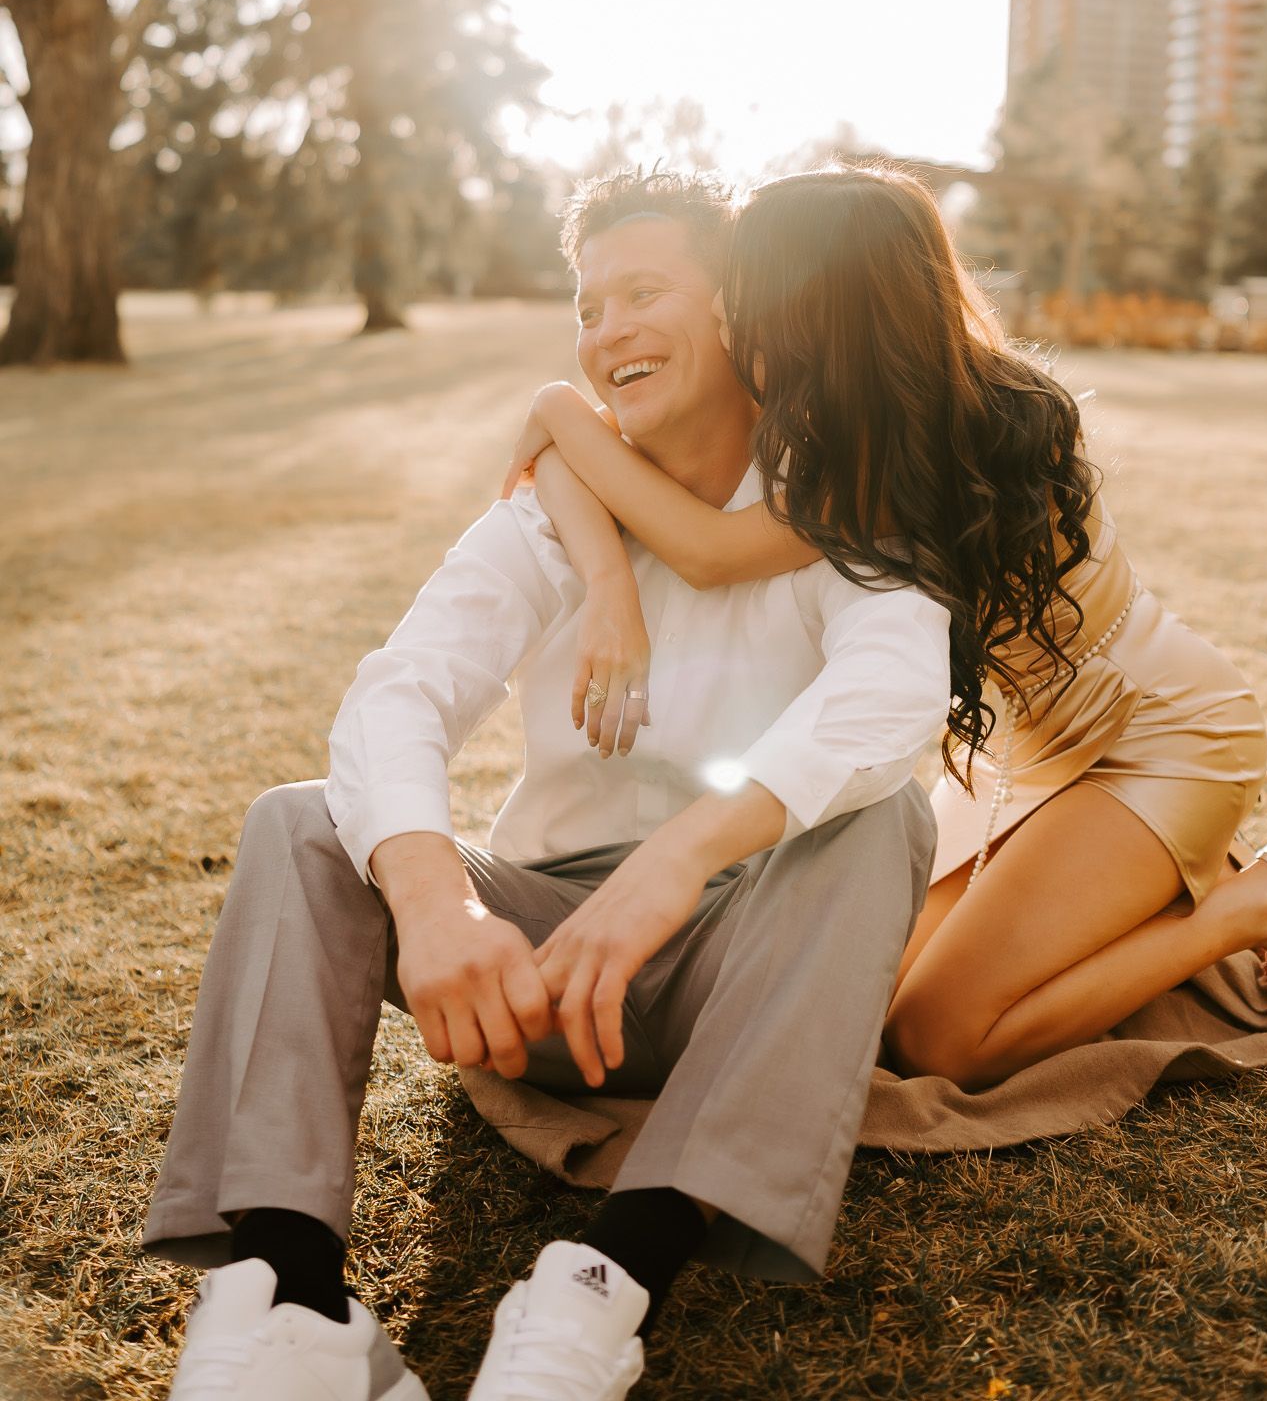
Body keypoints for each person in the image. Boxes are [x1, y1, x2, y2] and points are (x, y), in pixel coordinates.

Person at [144, 169, 949, 1401]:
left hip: (741, 961)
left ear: (738, 310)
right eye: (587, 306)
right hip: (539, 966)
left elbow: (893, 694)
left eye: (643, 290)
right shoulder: (546, 516)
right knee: (301, 820)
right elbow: (398, 691)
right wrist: (436, 901)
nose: (608, 328)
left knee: (876, 811)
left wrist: (678, 859)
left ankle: (602, 1281)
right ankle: (291, 1295)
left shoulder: (835, 503)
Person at [508, 163, 1267, 1096]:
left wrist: (554, 410)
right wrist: (599, 556)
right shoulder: (827, 425)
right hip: (1022, 762)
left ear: (819, 309)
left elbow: (705, 550)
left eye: (742, 304)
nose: (724, 326)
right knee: (863, 1003)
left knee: (940, 1041)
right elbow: (603, 474)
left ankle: (1245, 908)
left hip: (1157, 741)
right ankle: (1171, 884)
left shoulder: (948, 442)